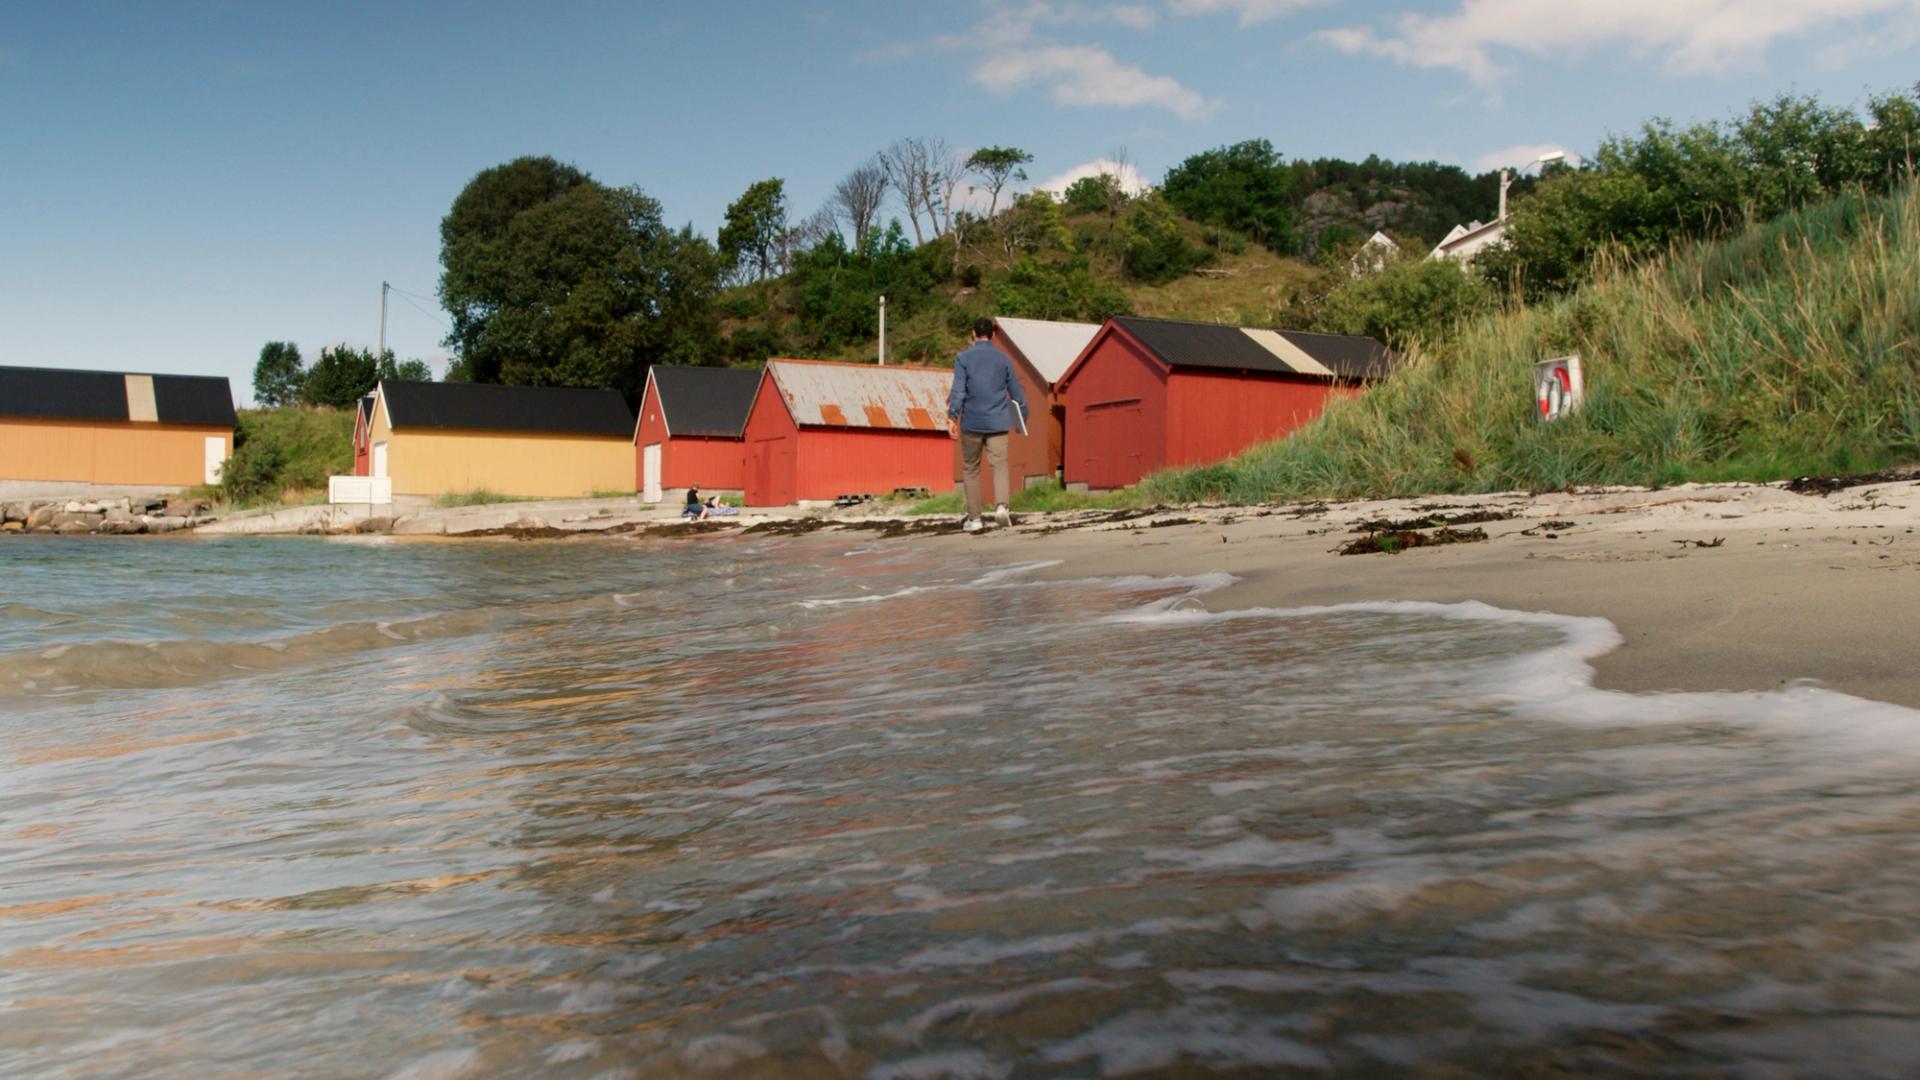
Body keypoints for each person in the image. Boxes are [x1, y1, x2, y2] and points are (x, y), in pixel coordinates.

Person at [947, 317, 1028, 533]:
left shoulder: (963, 358)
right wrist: (1022, 420)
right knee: (999, 465)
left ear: (973, 333)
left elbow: (958, 391)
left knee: (971, 469)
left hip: (972, 421)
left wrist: (952, 416)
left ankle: (975, 519)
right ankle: (1001, 506)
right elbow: (1018, 393)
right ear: (992, 335)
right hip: (998, 422)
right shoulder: (1004, 360)